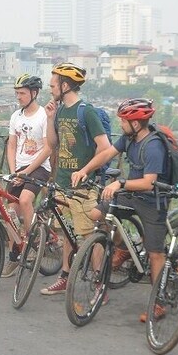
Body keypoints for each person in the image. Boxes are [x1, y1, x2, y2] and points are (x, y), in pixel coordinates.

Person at [71, 98, 167, 317]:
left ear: (135, 123)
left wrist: (121, 183)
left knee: (155, 253)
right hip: (131, 194)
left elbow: (148, 182)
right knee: (97, 214)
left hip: (153, 200)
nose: (120, 124)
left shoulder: (153, 146)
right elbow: (106, 154)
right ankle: (123, 248)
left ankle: (159, 302)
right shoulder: (128, 139)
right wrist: (85, 170)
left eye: (123, 121)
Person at [41, 63, 111, 295]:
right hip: (62, 182)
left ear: (65, 85)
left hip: (83, 186)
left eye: (53, 85)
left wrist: (84, 170)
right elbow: (52, 144)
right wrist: (51, 118)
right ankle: (65, 275)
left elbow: (105, 148)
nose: (50, 89)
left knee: (87, 233)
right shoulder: (60, 110)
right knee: (66, 231)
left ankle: (99, 281)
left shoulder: (86, 111)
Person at [2, 73, 52, 277]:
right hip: (20, 168)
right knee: (9, 212)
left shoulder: (43, 116)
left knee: (24, 201)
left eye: (22, 93)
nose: (19, 97)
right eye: (17, 93)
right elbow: (12, 144)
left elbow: (48, 148)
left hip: (39, 167)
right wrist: (14, 170)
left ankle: (31, 243)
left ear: (34, 93)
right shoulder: (16, 116)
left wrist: (27, 172)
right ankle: (15, 254)